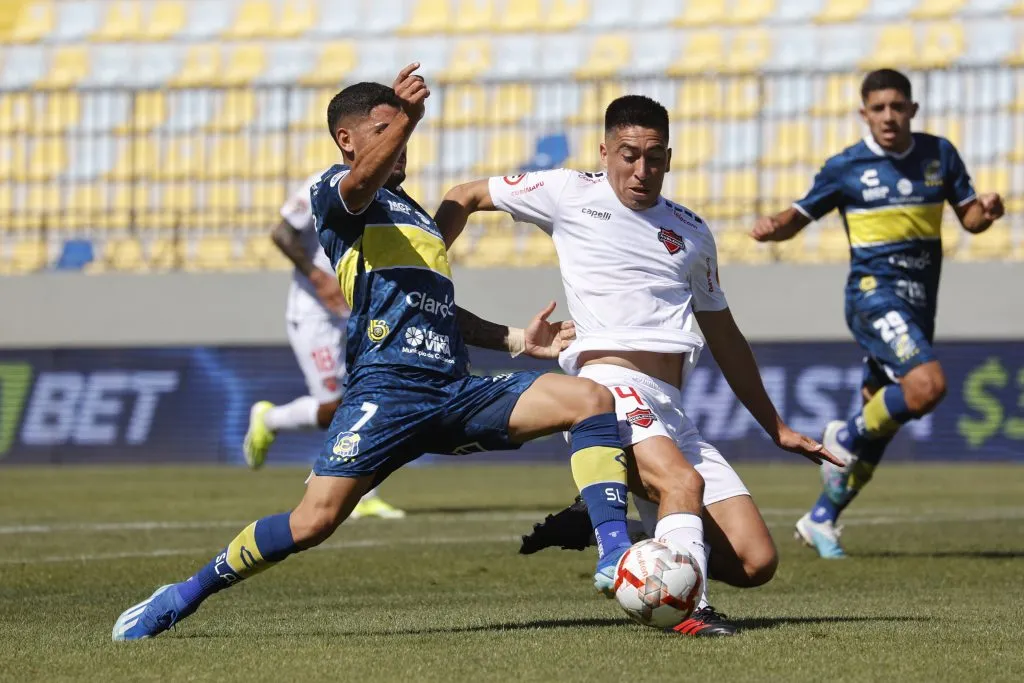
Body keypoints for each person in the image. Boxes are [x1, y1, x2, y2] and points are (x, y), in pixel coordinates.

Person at [112, 65, 635, 641]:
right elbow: (362, 182)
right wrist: (408, 117)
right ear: (347, 140)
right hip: (386, 392)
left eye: (402, 130)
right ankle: (182, 595)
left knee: (590, 399)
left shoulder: (420, 221)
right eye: (385, 130)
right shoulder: (336, 193)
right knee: (312, 523)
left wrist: (515, 340)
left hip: (455, 391)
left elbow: (437, 308)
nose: (401, 142)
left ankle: (615, 555)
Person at [436, 95, 839, 636]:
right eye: (628, 155)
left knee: (755, 562)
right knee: (681, 482)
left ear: (669, 158)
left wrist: (777, 426)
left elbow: (724, 334)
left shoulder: (691, 232)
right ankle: (691, 610)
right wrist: (426, 270)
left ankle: (603, 527)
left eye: (653, 157)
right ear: (605, 152)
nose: (641, 170)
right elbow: (465, 195)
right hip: (608, 390)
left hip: (672, 404)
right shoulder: (568, 192)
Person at [750, 69, 1005, 559]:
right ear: (864, 114)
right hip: (873, 296)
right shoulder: (847, 166)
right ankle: (844, 435)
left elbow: (970, 218)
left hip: (919, 304)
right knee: (928, 386)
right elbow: (798, 216)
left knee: (881, 421)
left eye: (897, 106)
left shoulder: (939, 154)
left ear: (912, 109)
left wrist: (988, 209)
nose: (889, 116)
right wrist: (770, 227)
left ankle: (821, 518)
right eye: (879, 108)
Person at [241, 171, 405, 520]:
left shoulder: (389, 194)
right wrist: (319, 279)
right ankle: (270, 419)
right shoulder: (325, 183)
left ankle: (365, 495)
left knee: (368, 398)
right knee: (335, 406)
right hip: (315, 315)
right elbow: (281, 233)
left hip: (358, 312)